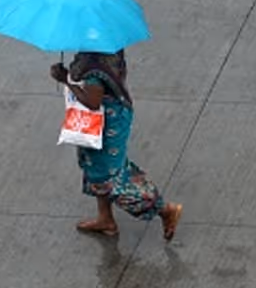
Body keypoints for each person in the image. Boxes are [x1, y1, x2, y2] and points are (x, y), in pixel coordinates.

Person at [51, 51, 182, 241]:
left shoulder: (94, 71)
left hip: (107, 124)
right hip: (111, 118)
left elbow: (92, 103)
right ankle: (105, 219)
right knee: (96, 166)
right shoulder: (108, 54)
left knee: (108, 176)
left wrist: (65, 80)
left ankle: (164, 210)